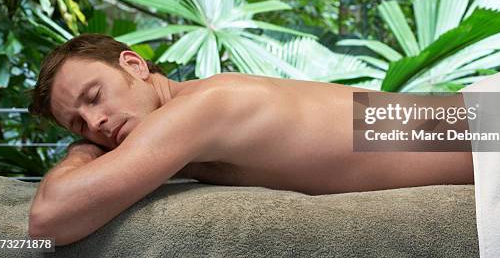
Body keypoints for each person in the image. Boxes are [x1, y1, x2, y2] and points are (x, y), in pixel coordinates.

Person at [27, 34, 474, 245]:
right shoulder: (187, 124)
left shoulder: (203, 107)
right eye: (79, 124)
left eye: (94, 97)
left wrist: (81, 151)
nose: (98, 123)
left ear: (135, 65)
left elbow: (48, 223)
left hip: (489, 125)